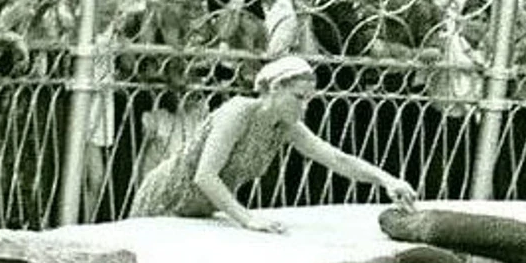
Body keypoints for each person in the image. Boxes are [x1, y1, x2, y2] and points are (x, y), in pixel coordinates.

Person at [127, 55, 418, 231]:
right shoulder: (238, 111)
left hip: (197, 213)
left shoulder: (285, 126)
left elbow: (335, 158)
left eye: (308, 99)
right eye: (298, 97)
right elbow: (205, 175)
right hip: (163, 200)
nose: (304, 107)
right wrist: (248, 219)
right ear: (276, 89)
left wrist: (387, 180)